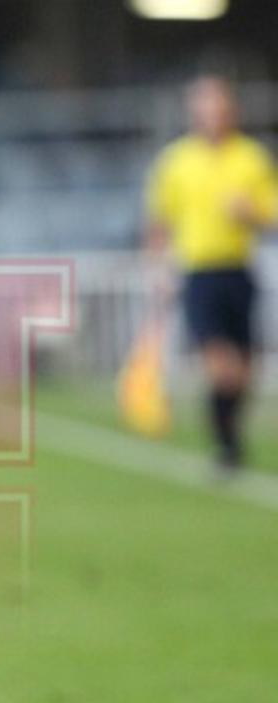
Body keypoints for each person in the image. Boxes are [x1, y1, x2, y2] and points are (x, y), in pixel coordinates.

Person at [145, 75, 278, 473]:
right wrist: (158, 269)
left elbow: (272, 214)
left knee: (245, 371)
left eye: (219, 107)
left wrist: (250, 213)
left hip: (238, 271)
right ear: (194, 112)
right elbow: (159, 221)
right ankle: (226, 447)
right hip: (199, 275)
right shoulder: (176, 161)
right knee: (222, 366)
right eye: (206, 107)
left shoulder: (251, 157)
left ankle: (228, 438)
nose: (213, 115)